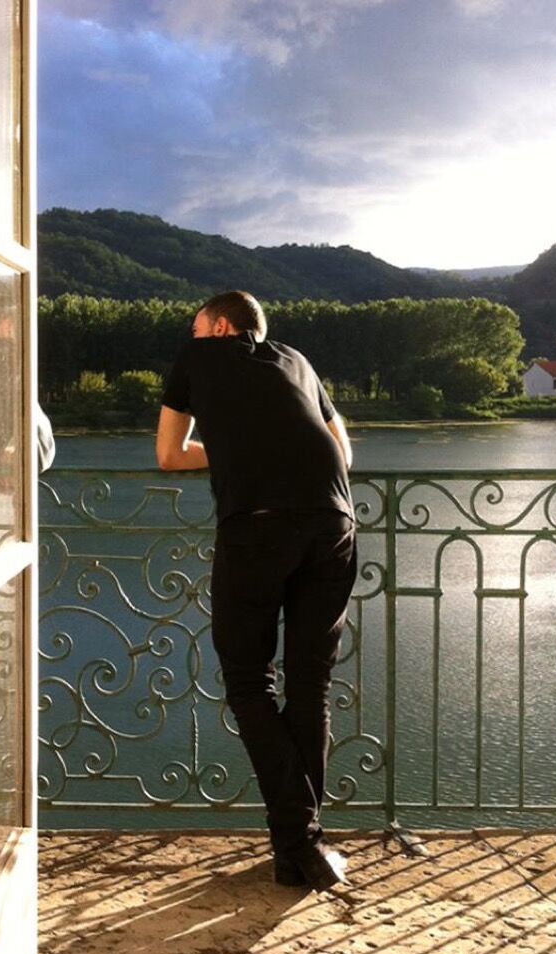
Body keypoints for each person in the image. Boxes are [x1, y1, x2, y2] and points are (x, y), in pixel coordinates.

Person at [156, 291, 357, 891]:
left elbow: (169, 454)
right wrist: (267, 441)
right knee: (311, 685)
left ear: (220, 327)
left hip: (259, 528)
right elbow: (343, 451)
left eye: (198, 327)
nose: (193, 335)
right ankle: (298, 853)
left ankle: (301, 840)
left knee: (248, 682)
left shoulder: (197, 356)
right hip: (334, 524)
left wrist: (236, 449)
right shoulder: (297, 359)